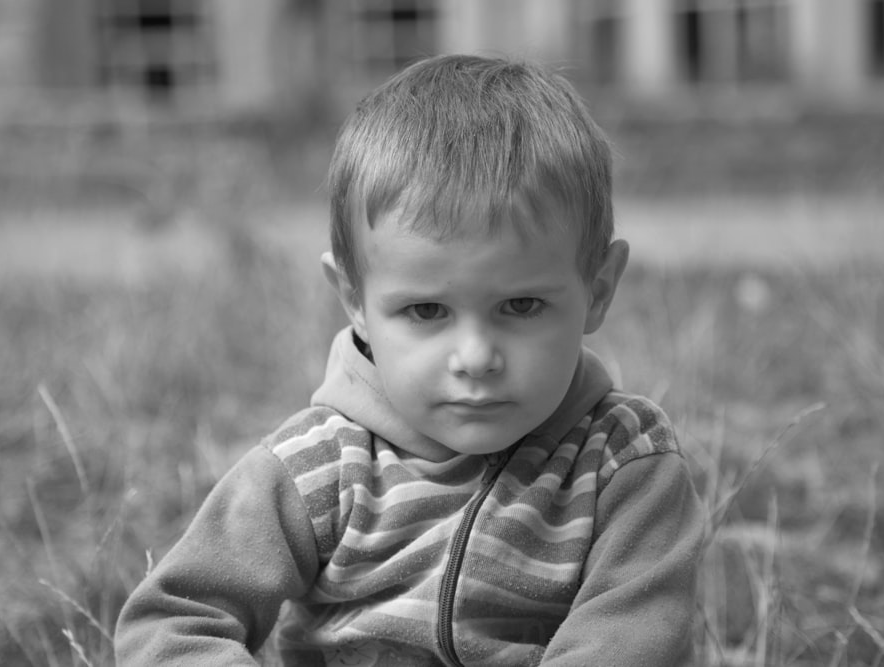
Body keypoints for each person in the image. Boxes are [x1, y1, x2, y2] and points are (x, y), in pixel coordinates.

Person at [115, 54, 706, 666]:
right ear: (355, 301)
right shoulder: (318, 470)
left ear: (599, 291)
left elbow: (631, 642)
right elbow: (173, 622)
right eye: (427, 312)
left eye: (522, 305)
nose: (475, 357)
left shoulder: (624, 468)